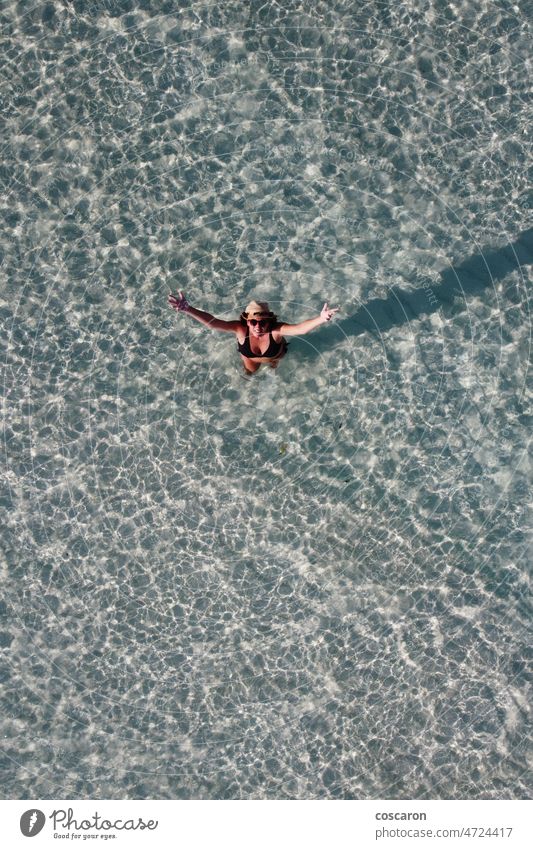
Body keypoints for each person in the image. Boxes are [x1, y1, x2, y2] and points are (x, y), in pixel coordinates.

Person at [168, 292, 340, 374]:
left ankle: (272, 366)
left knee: (274, 367)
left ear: (269, 321)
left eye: (263, 322)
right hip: (249, 358)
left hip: (274, 356)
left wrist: (321, 318)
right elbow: (213, 324)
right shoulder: (240, 329)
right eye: (253, 322)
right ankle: (254, 372)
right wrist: (188, 309)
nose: (258, 326)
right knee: (249, 374)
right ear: (247, 321)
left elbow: (300, 329)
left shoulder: (276, 331)